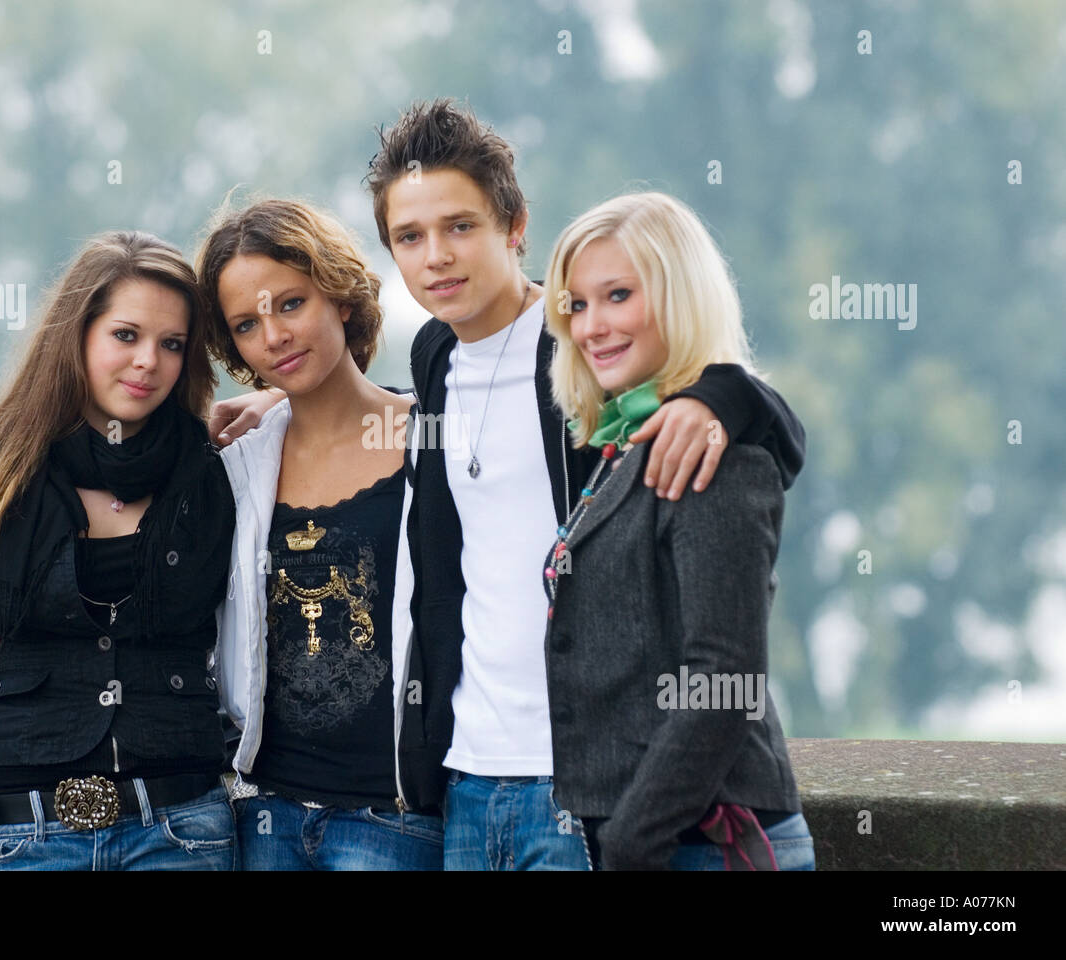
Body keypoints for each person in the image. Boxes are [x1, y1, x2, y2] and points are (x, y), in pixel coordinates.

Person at [219, 98, 806, 869]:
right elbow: (381, 413)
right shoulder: (432, 358)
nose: (437, 256)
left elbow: (755, 428)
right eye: (410, 236)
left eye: (460, 226)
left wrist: (725, 396)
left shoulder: (583, 343)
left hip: (594, 782)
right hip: (470, 786)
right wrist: (283, 394)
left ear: (514, 224)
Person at [0, 231, 237, 870]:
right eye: (126, 335)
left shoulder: (216, 474)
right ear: (75, 335)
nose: (148, 363)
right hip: (23, 839)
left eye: (172, 345)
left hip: (182, 834)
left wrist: (278, 405)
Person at [541, 191, 813, 870]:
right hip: (647, 839)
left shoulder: (709, 448)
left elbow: (725, 675)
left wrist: (632, 840)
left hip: (702, 842)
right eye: (577, 304)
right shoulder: (619, 440)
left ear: (680, 297)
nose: (592, 325)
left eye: (619, 295)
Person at [195, 198, 443, 870]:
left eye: (291, 303)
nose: (274, 335)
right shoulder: (236, 467)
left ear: (338, 295)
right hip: (263, 816)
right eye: (247, 323)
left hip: (394, 818)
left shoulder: (432, 441)